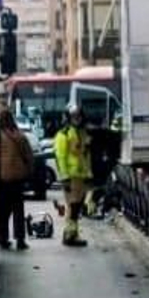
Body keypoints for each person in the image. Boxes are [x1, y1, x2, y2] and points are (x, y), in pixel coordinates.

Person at [53, 104, 93, 247]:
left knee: (76, 207)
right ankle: (70, 235)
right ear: (68, 118)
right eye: (74, 117)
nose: (77, 119)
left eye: (79, 116)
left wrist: (89, 173)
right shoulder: (63, 134)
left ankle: (71, 234)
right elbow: (61, 157)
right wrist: (65, 178)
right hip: (71, 176)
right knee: (74, 206)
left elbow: (85, 155)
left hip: (81, 175)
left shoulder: (82, 133)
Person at [0, 110, 33, 250]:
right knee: (18, 210)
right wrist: (29, 172)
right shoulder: (20, 135)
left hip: (3, 178)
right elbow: (29, 156)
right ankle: (20, 240)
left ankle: (3, 238)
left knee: (3, 211)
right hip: (18, 178)